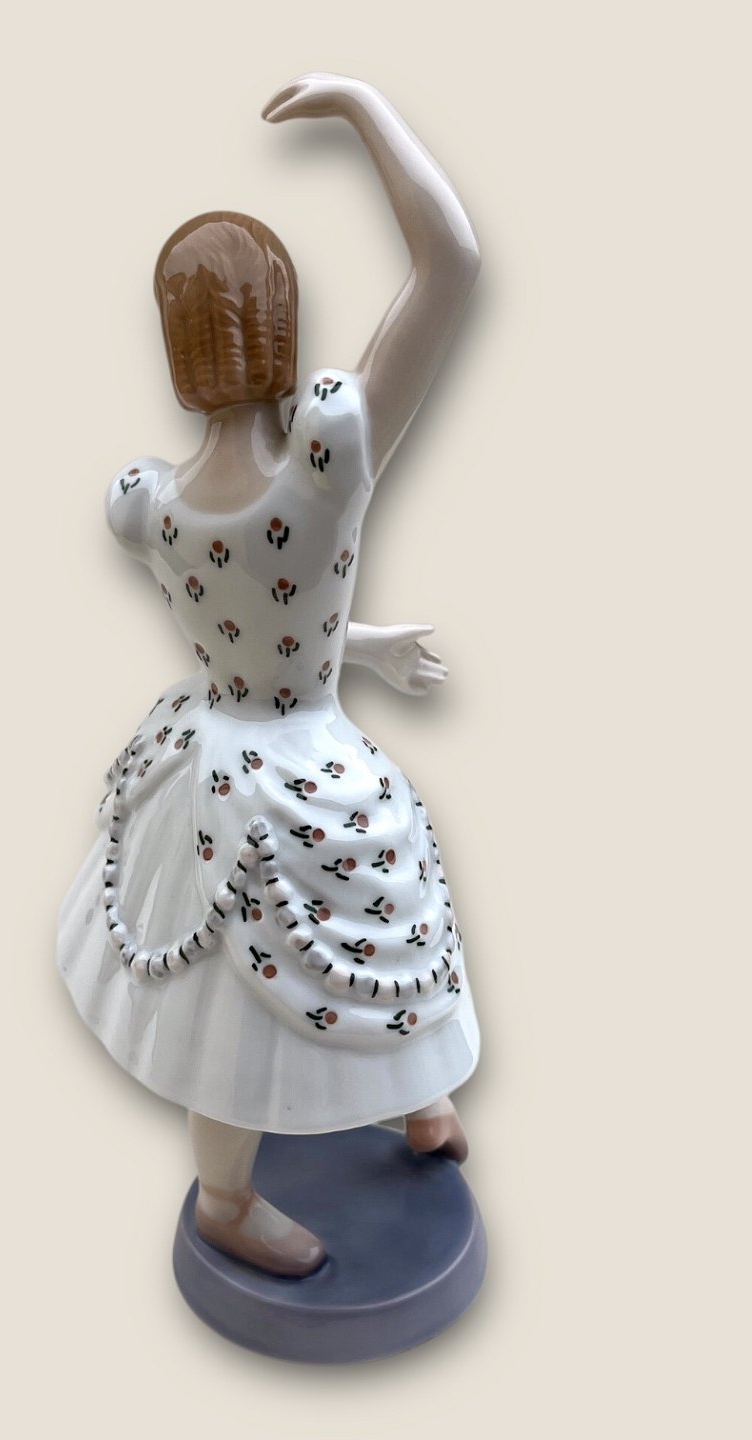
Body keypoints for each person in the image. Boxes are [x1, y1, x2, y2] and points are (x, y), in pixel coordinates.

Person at [57, 73, 481, 1276]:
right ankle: (230, 1200)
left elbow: (262, 615)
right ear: (281, 326)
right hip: (293, 753)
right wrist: (363, 105)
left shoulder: (150, 504)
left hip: (214, 743)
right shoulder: (326, 461)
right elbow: (451, 262)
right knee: (358, 915)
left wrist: (363, 642)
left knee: (309, 946)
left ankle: (410, 1107)